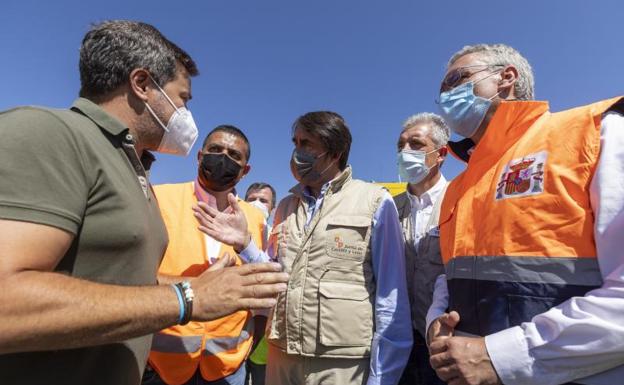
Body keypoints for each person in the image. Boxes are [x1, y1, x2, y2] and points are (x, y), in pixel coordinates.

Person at [0, 20, 288, 385]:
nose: (186, 113)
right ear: (142, 85)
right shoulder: (48, 135)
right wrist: (187, 297)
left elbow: (119, 277)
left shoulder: (130, 168)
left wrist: (221, 279)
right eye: (182, 98)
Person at [427, 43, 624, 385]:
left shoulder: (596, 133)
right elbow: (452, 275)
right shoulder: (457, 187)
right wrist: (436, 319)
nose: (446, 94)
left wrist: (503, 356)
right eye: (441, 89)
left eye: (456, 79)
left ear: (506, 78)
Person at [193, 111, 413, 385]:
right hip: (282, 357)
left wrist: (383, 378)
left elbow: (391, 299)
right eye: (295, 143)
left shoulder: (374, 201)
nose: (297, 153)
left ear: (335, 152)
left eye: (307, 144)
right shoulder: (286, 206)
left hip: (341, 366)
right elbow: (276, 274)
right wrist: (244, 243)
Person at [144, 125, 266, 385]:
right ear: (200, 157)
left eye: (234, 155)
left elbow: (263, 285)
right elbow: (136, 273)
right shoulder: (160, 198)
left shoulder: (255, 219)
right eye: (215, 150)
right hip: (161, 364)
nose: (223, 158)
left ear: (245, 171)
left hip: (228, 367)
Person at [394, 113, 449, 385]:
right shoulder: (388, 208)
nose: (405, 152)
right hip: (398, 340)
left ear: (441, 154)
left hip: (445, 338)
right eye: (400, 145)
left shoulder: (460, 199)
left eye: (416, 144)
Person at [243, 182, 277, 385]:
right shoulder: (228, 232)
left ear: (272, 208)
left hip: (266, 334)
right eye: (251, 199)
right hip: (235, 329)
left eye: (263, 200)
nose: (257, 203)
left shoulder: (277, 236)